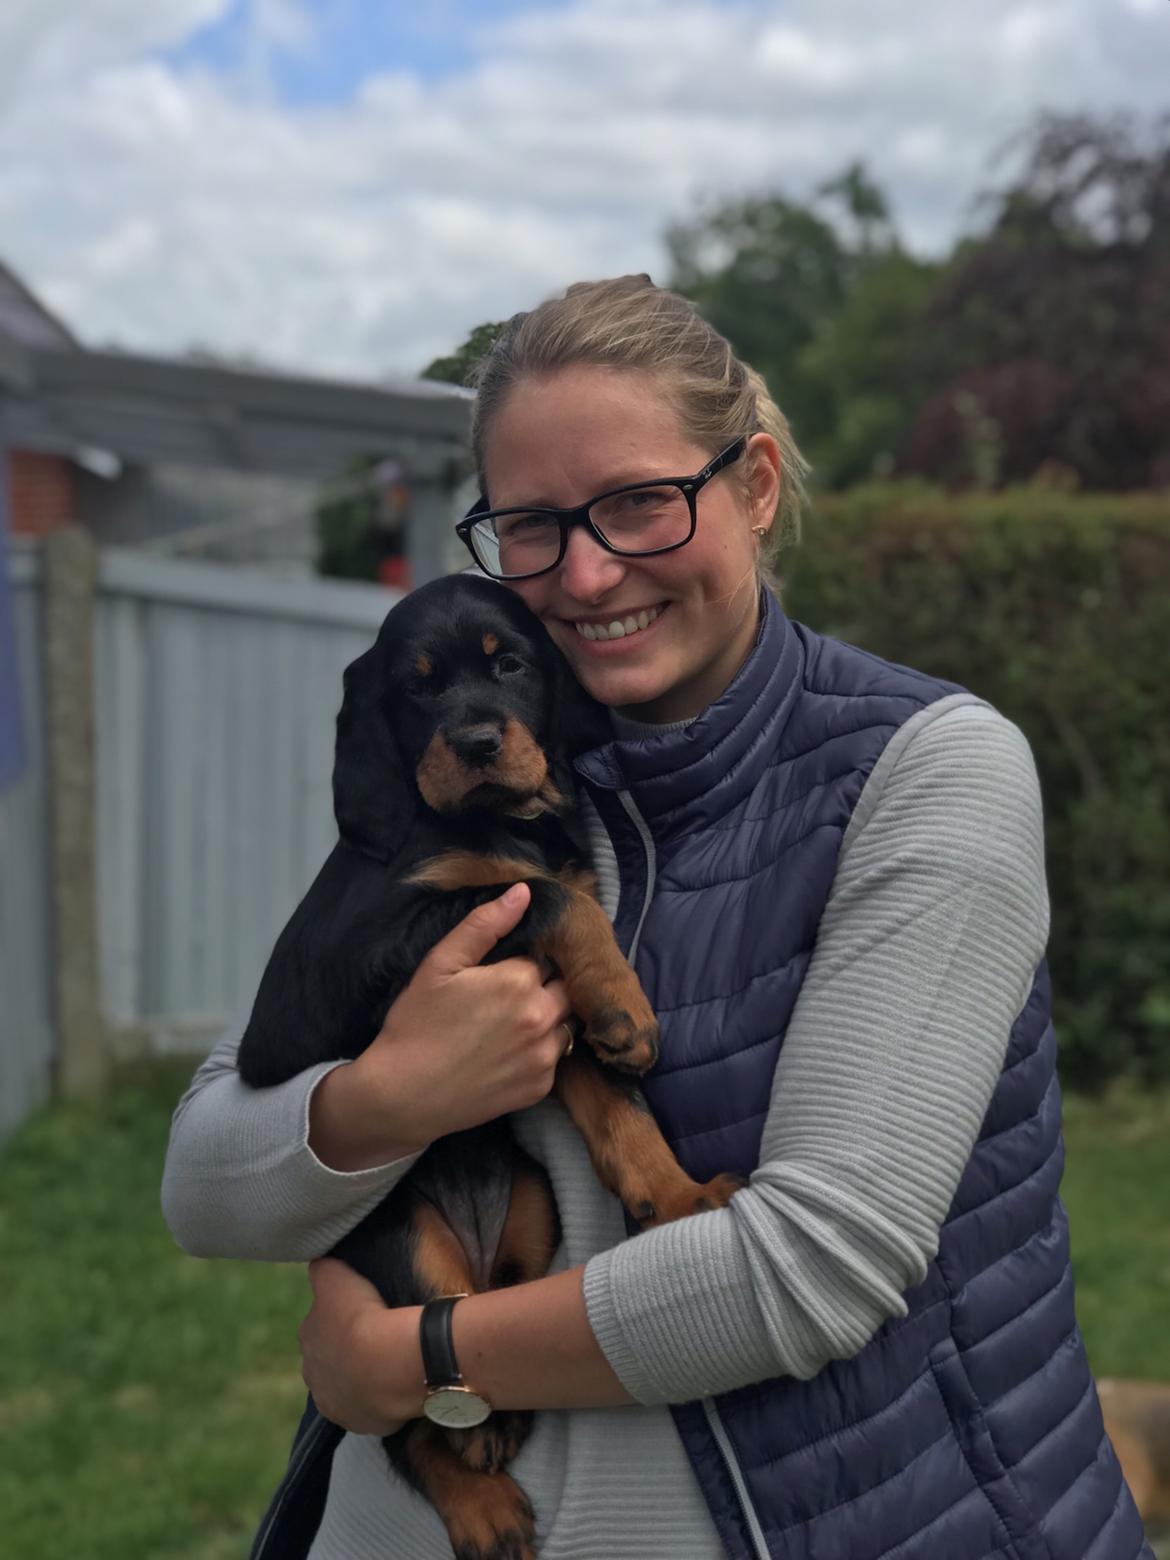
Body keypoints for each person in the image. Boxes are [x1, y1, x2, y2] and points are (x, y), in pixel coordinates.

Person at [161, 276, 1151, 1560]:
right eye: (530, 524)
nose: (583, 571)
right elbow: (204, 1183)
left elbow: (810, 1269)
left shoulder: (925, 772)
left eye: (640, 501)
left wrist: (411, 1358)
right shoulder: (495, 787)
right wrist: (387, 1102)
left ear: (754, 485)